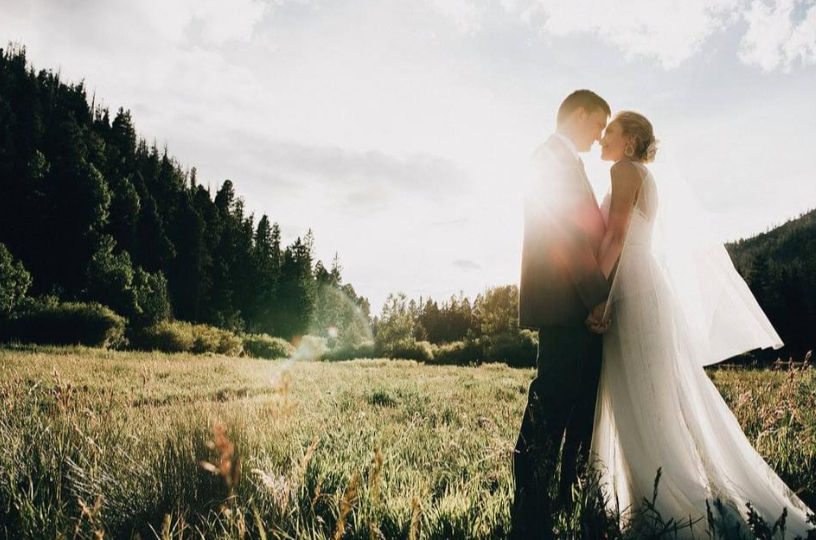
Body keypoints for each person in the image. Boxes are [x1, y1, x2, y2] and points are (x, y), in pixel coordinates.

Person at [590, 110, 814, 538]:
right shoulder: (644, 176)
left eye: (610, 132)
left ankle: (671, 511)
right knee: (651, 399)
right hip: (645, 286)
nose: (603, 138)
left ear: (631, 143)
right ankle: (648, 505)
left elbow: (616, 237)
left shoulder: (623, 170)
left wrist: (596, 296)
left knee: (640, 396)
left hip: (630, 290)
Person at [511, 89, 612, 539]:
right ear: (582, 113)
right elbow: (567, 234)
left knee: (577, 410)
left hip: (574, 306)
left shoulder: (568, 162)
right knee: (549, 409)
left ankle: (563, 499)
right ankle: (530, 519)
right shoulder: (550, 158)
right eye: (599, 124)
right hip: (565, 306)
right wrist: (595, 296)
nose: (600, 135)